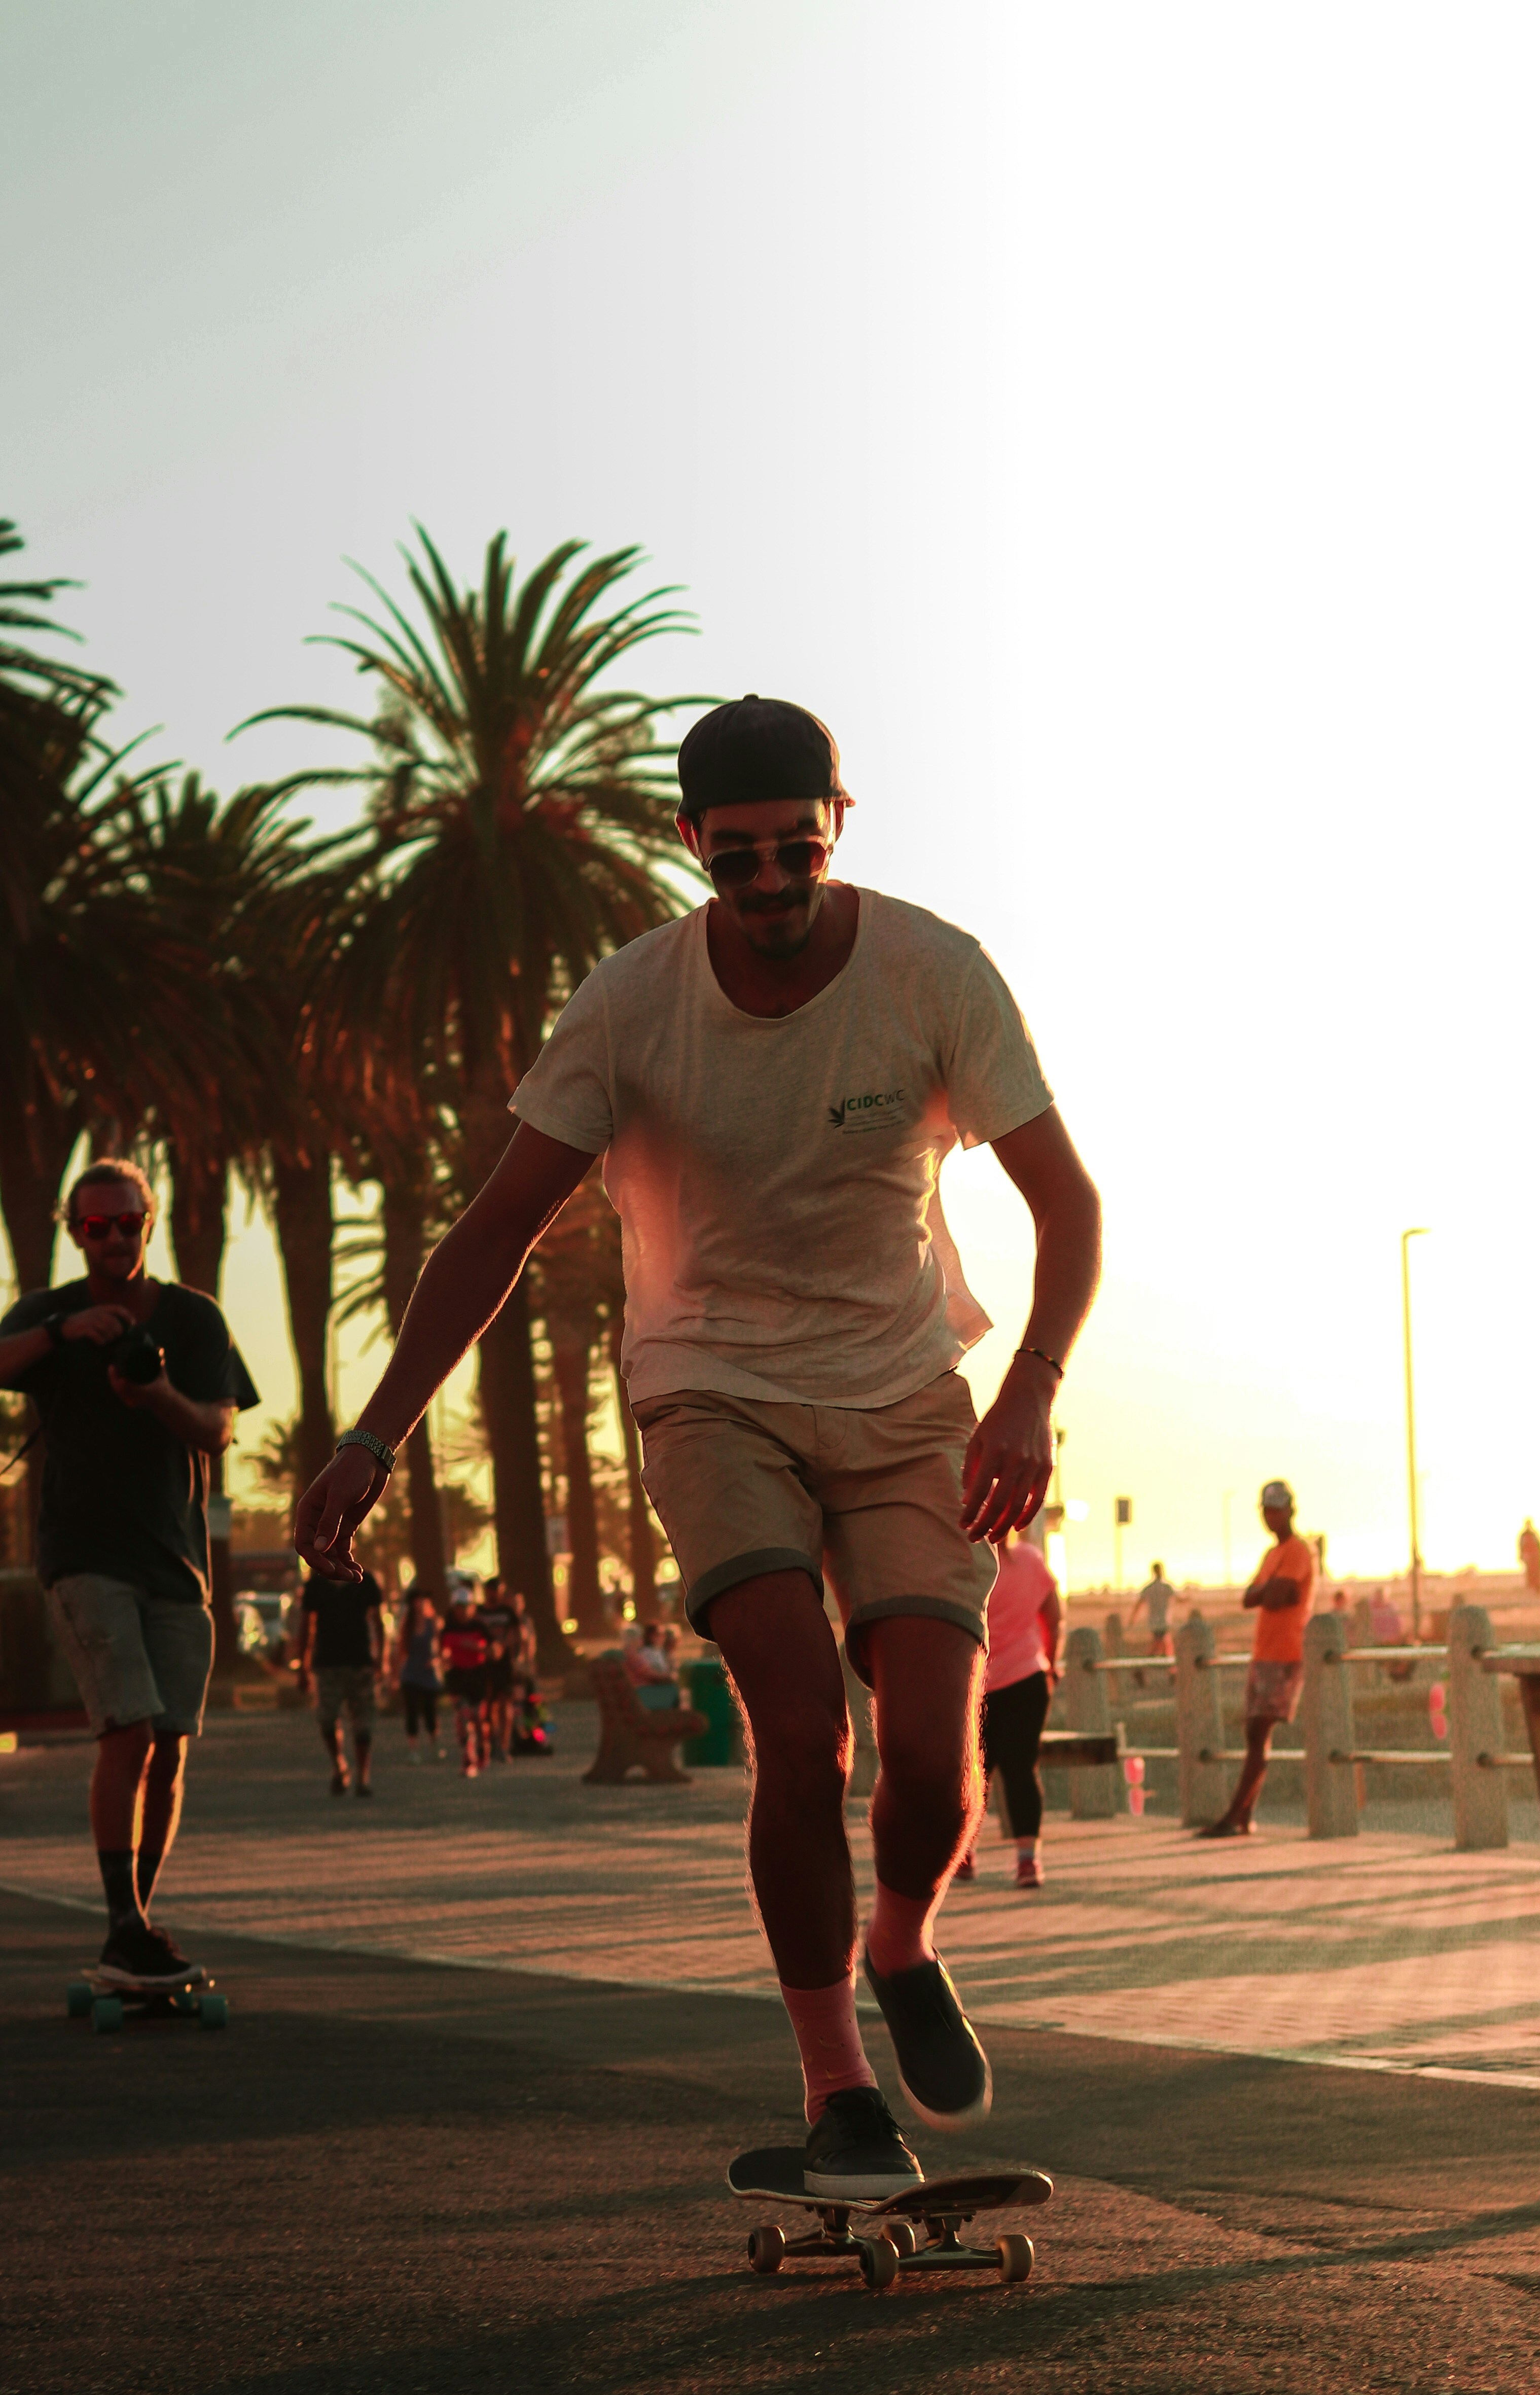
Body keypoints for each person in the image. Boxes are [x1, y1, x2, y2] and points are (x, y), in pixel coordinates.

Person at [295, 692, 1101, 2199]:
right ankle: (836, 2085)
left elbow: (1069, 1205)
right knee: (802, 1726)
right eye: (738, 859)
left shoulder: (936, 973)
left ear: (838, 827)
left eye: (798, 848)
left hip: (907, 1390)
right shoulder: (631, 1005)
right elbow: (494, 1232)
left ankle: (902, 1936)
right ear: (691, 848)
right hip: (709, 1387)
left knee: (928, 1754)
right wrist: (371, 1433)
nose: (773, 884)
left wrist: (1029, 1389)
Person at [0, 1155, 259, 1989]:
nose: (112, 1238)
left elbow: (218, 1432)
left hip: (176, 1562)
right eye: (95, 1226)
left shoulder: (193, 1319)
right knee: (130, 1730)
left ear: (151, 1223)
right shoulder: (48, 1313)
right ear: (76, 1233)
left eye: (126, 1223)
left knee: (172, 1748)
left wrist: (155, 1397)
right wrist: (57, 1336)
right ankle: (124, 1927)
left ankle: (133, 1927)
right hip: (82, 1556)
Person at [1199, 1479, 1315, 1838]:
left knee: (1260, 1730)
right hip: (1264, 1653)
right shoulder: (1272, 1555)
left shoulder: (1298, 1551)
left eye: (1277, 1510)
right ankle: (1243, 1815)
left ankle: (1236, 1814)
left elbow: (1280, 1595)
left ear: (1290, 1511)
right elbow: (1251, 1598)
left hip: (1284, 1654)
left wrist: (1267, 1591)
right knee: (1254, 1732)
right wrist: (1268, 1590)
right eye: (1267, 1510)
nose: (1271, 1517)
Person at [970, 1528, 1062, 1888]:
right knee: (1022, 1770)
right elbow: (1055, 1617)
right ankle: (1028, 1863)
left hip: (978, 1686)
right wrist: (1051, 1663)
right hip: (1028, 1679)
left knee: (976, 1775)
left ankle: (963, 1856)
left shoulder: (970, 1561)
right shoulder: (1030, 1560)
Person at [300, 1558, 385, 1796]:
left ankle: (363, 1777)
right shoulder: (316, 1584)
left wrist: (382, 1659)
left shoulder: (365, 1580)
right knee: (327, 1719)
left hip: (361, 1662)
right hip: (327, 1663)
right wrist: (303, 1667)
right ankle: (339, 1766)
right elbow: (307, 1625)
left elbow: (378, 1622)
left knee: (363, 1724)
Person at [440, 1586, 491, 1775]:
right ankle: (467, 1758)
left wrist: (476, 1647)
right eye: (459, 1607)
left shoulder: (480, 1627)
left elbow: (494, 1651)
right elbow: (442, 1651)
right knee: (462, 1716)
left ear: (472, 1607)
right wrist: (444, 1659)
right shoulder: (448, 1628)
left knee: (478, 1717)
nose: (462, 1611)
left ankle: (482, 1749)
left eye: (466, 1606)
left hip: (476, 1674)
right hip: (457, 1675)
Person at [393, 1585, 445, 1763]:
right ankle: (414, 1750)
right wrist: (395, 1675)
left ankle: (435, 1745)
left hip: (429, 1674)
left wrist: (437, 1660)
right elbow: (400, 1651)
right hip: (411, 1675)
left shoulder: (434, 1623)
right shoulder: (407, 1625)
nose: (421, 1603)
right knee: (412, 1713)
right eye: (418, 1600)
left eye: (424, 1600)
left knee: (431, 1713)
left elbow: (443, 1649)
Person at [477, 1573, 522, 1765]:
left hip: (504, 1666)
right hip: (483, 1665)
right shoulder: (479, 1613)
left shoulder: (508, 1613)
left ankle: (504, 1745)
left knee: (505, 1705)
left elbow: (515, 1636)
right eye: (491, 1592)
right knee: (488, 1706)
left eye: (498, 1592)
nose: (494, 1595)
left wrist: (502, 1647)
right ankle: (492, 1741)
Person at [1136, 1559, 1174, 1661]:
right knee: (1160, 1644)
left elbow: (1139, 1604)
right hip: (1162, 1622)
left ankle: (1169, 1668)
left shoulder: (1149, 1588)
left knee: (1162, 1644)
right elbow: (1179, 1599)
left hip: (1154, 1622)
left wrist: (1133, 1619)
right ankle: (1144, 1667)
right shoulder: (1165, 1588)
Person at [1519, 1518, 1540, 1598]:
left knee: (1537, 1575)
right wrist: (1522, 1556)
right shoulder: (1524, 1536)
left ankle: (1538, 1590)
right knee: (1530, 1575)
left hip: (1536, 1558)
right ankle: (1531, 1590)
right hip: (1529, 1558)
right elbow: (1521, 1547)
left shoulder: (1534, 1535)